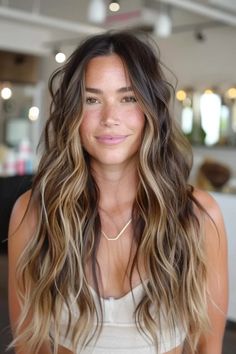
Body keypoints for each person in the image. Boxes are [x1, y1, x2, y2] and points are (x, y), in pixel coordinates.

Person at [8, 31, 228, 354]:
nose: (110, 118)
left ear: (150, 109)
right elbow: (29, 344)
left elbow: (208, 345)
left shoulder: (196, 214)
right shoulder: (33, 214)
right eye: (92, 100)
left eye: (128, 98)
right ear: (73, 113)